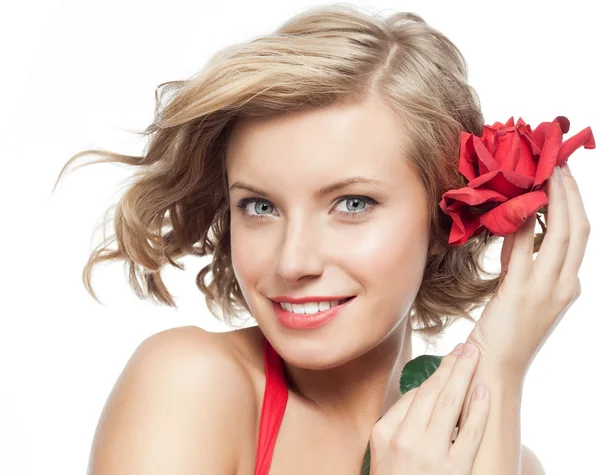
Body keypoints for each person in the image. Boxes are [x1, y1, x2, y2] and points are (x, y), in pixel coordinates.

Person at [53, 4, 589, 474]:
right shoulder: (191, 385)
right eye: (259, 207)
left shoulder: (513, 463)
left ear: (444, 215)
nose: (294, 261)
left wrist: (500, 365)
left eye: (352, 204)